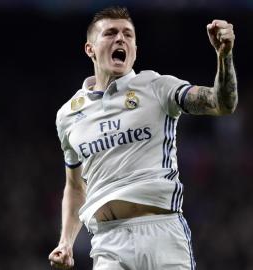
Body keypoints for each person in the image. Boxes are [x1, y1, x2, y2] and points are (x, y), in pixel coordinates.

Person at [48, 6, 237, 270]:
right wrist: (66, 241)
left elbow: (221, 103)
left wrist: (224, 55)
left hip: (163, 234)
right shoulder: (68, 115)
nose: (120, 39)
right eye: (111, 33)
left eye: (128, 34)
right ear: (90, 49)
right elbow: (76, 187)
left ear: (135, 49)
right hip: (108, 242)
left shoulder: (157, 87)